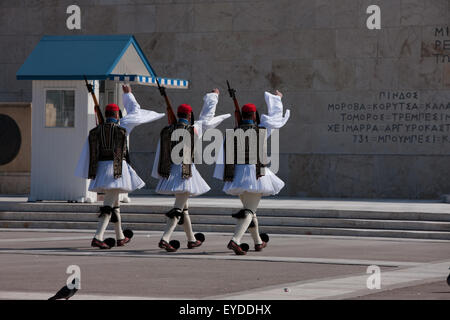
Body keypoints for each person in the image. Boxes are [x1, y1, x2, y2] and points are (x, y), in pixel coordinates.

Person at [75, 84, 164, 249]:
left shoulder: (95, 131)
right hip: (117, 170)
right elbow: (136, 112)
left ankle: (120, 236)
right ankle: (98, 236)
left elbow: (88, 154)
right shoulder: (123, 125)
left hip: (101, 169)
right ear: (117, 115)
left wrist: (89, 172)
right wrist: (128, 95)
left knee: (115, 204)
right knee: (108, 204)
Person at [151, 89, 230, 252]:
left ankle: (191, 239)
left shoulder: (166, 130)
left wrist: (159, 173)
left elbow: (161, 153)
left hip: (170, 171)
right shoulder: (195, 128)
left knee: (184, 207)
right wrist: (213, 96)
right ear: (188, 116)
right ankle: (165, 238)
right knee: (179, 208)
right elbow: (207, 117)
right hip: (185, 173)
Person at [213, 90, 290, 255]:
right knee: (249, 211)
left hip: (237, 177)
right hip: (255, 175)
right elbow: (276, 119)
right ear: (255, 115)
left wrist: (226, 177)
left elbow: (225, 157)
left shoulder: (231, 133)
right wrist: (277, 99)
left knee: (250, 210)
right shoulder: (262, 130)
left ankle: (258, 242)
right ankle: (235, 240)